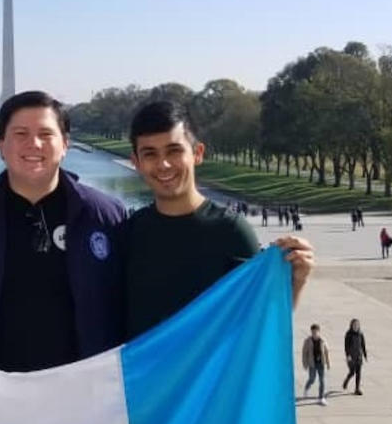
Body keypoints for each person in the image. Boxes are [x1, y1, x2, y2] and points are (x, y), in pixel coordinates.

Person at [0, 91, 126, 371]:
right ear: (1, 145)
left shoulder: (106, 215)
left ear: (65, 144)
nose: (34, 144)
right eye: (21, 134)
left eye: (46, 134)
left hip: (82, 389)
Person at [123, 100, 314, 340]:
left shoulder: (231, 232)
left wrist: (298, 280)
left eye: (174, 150)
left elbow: (261, 324)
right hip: (144, 377)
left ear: (197, 153)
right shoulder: (128, 234)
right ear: (136, 163)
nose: (163, 164)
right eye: (150, 154)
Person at [302, 324, 331, 406]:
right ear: (311, 332)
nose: (315, 333)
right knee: (312, 379)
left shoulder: (323, 340)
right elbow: (304, 353)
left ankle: (321, 397)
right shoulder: (307, 341)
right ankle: (306, 388)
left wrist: (328, 363)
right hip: (312, 364)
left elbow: (326, 352)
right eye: (313, 332)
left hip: (321, 363)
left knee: (322, 380)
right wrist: (305, 363)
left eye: (316, 332)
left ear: (319, 332)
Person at [341, 319, 368, 395]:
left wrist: (365, 355)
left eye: (357, 325)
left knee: (359, 373)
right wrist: (348, 355)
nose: (356, 326)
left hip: (359, 356)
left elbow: (363, 345)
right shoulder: (348, 334)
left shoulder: (361, 334)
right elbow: (346, 346)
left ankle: (357, 389)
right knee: (352, 372)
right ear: (351, 325)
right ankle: (346, 381)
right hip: (351, 357)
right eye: (354, 325)